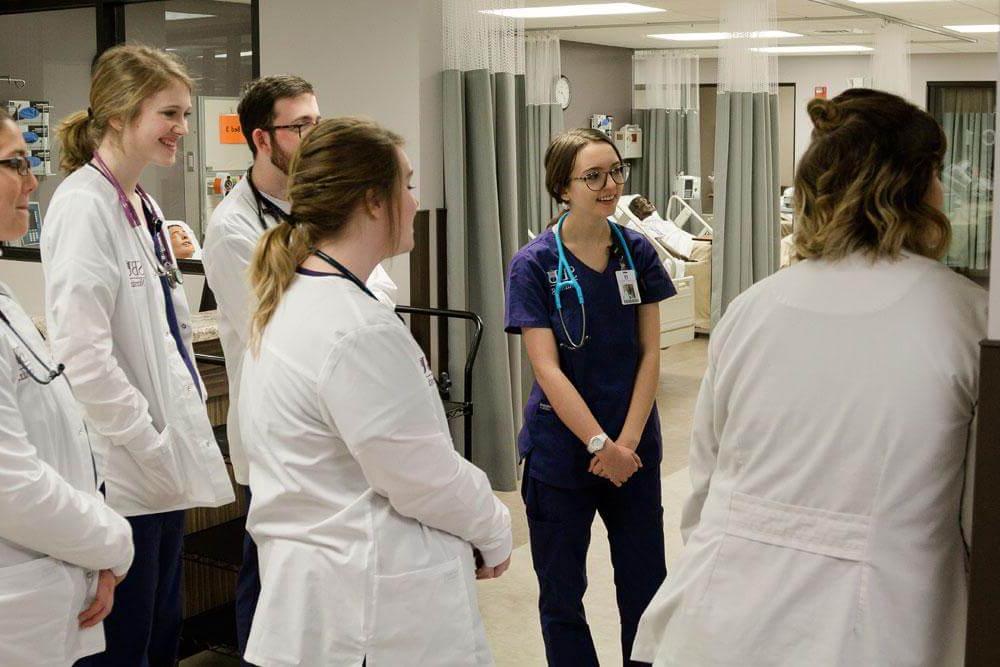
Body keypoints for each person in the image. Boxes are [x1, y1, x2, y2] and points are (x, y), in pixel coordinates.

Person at [632, 89, 985, 666]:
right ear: (918, 187)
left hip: (720, 618)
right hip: (882, 625)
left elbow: (705, 484)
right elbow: (980, 517)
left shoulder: (752, 308)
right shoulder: (966, 319)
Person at [239, 117, 512, 666]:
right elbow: (422, 476)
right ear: (372, 201)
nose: (414, 201)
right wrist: (495, 526)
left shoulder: (294, 301)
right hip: (368, 612)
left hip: (324, 601)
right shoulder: (355, 329)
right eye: (406, 185)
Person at [41, 44, 235, 666]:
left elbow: (161, 331)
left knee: (160, 627)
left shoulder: (142, 204)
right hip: (123, 472)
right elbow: (85, 354)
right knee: (124, 643)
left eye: (184, 113)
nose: (183, 127)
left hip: (158, 465)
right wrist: (148, 442)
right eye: (170, 114)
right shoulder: (82, 205)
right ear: (120, 116)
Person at [201, 75, 397, 660]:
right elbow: (282, 330)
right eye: (300, 125)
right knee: (271, 583)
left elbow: (381, 299)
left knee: (333, 585)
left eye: (318, 119)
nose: (315, 133)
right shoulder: (232, 227)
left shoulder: (323, 205)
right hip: (279, 436)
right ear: (262, 138)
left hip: (343, 426)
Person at [504, 127, 675, 666]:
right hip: (562, 454)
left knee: (646, 589)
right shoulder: (534, 264)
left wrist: (624, 444)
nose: (610, 185)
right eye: (593, 175)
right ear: (562, 186)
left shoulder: (637, 252)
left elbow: (651, 353)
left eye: (616, 172)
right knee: (562, 599)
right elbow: (546, 367)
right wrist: (600, 443)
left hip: (634, 451)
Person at [0, 107, 134, 667]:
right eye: (16, 164)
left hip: (47, 589)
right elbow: (11, 486)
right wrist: (111, 542)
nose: (33, 182)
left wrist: (92, 555)